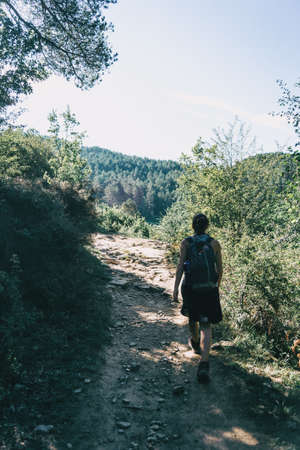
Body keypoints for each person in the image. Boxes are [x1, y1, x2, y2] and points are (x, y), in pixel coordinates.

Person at [173, 213, 223, 383]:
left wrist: (174, 289)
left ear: (193, 226)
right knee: (206, 325)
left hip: (191, 288)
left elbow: (180, 267)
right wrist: (216, 287)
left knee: (192, 318)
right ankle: (204, 364)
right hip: (209, 288)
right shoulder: (215, 244)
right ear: (207, 226)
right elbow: (220, 269)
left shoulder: (186, 243)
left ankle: (195, 343)